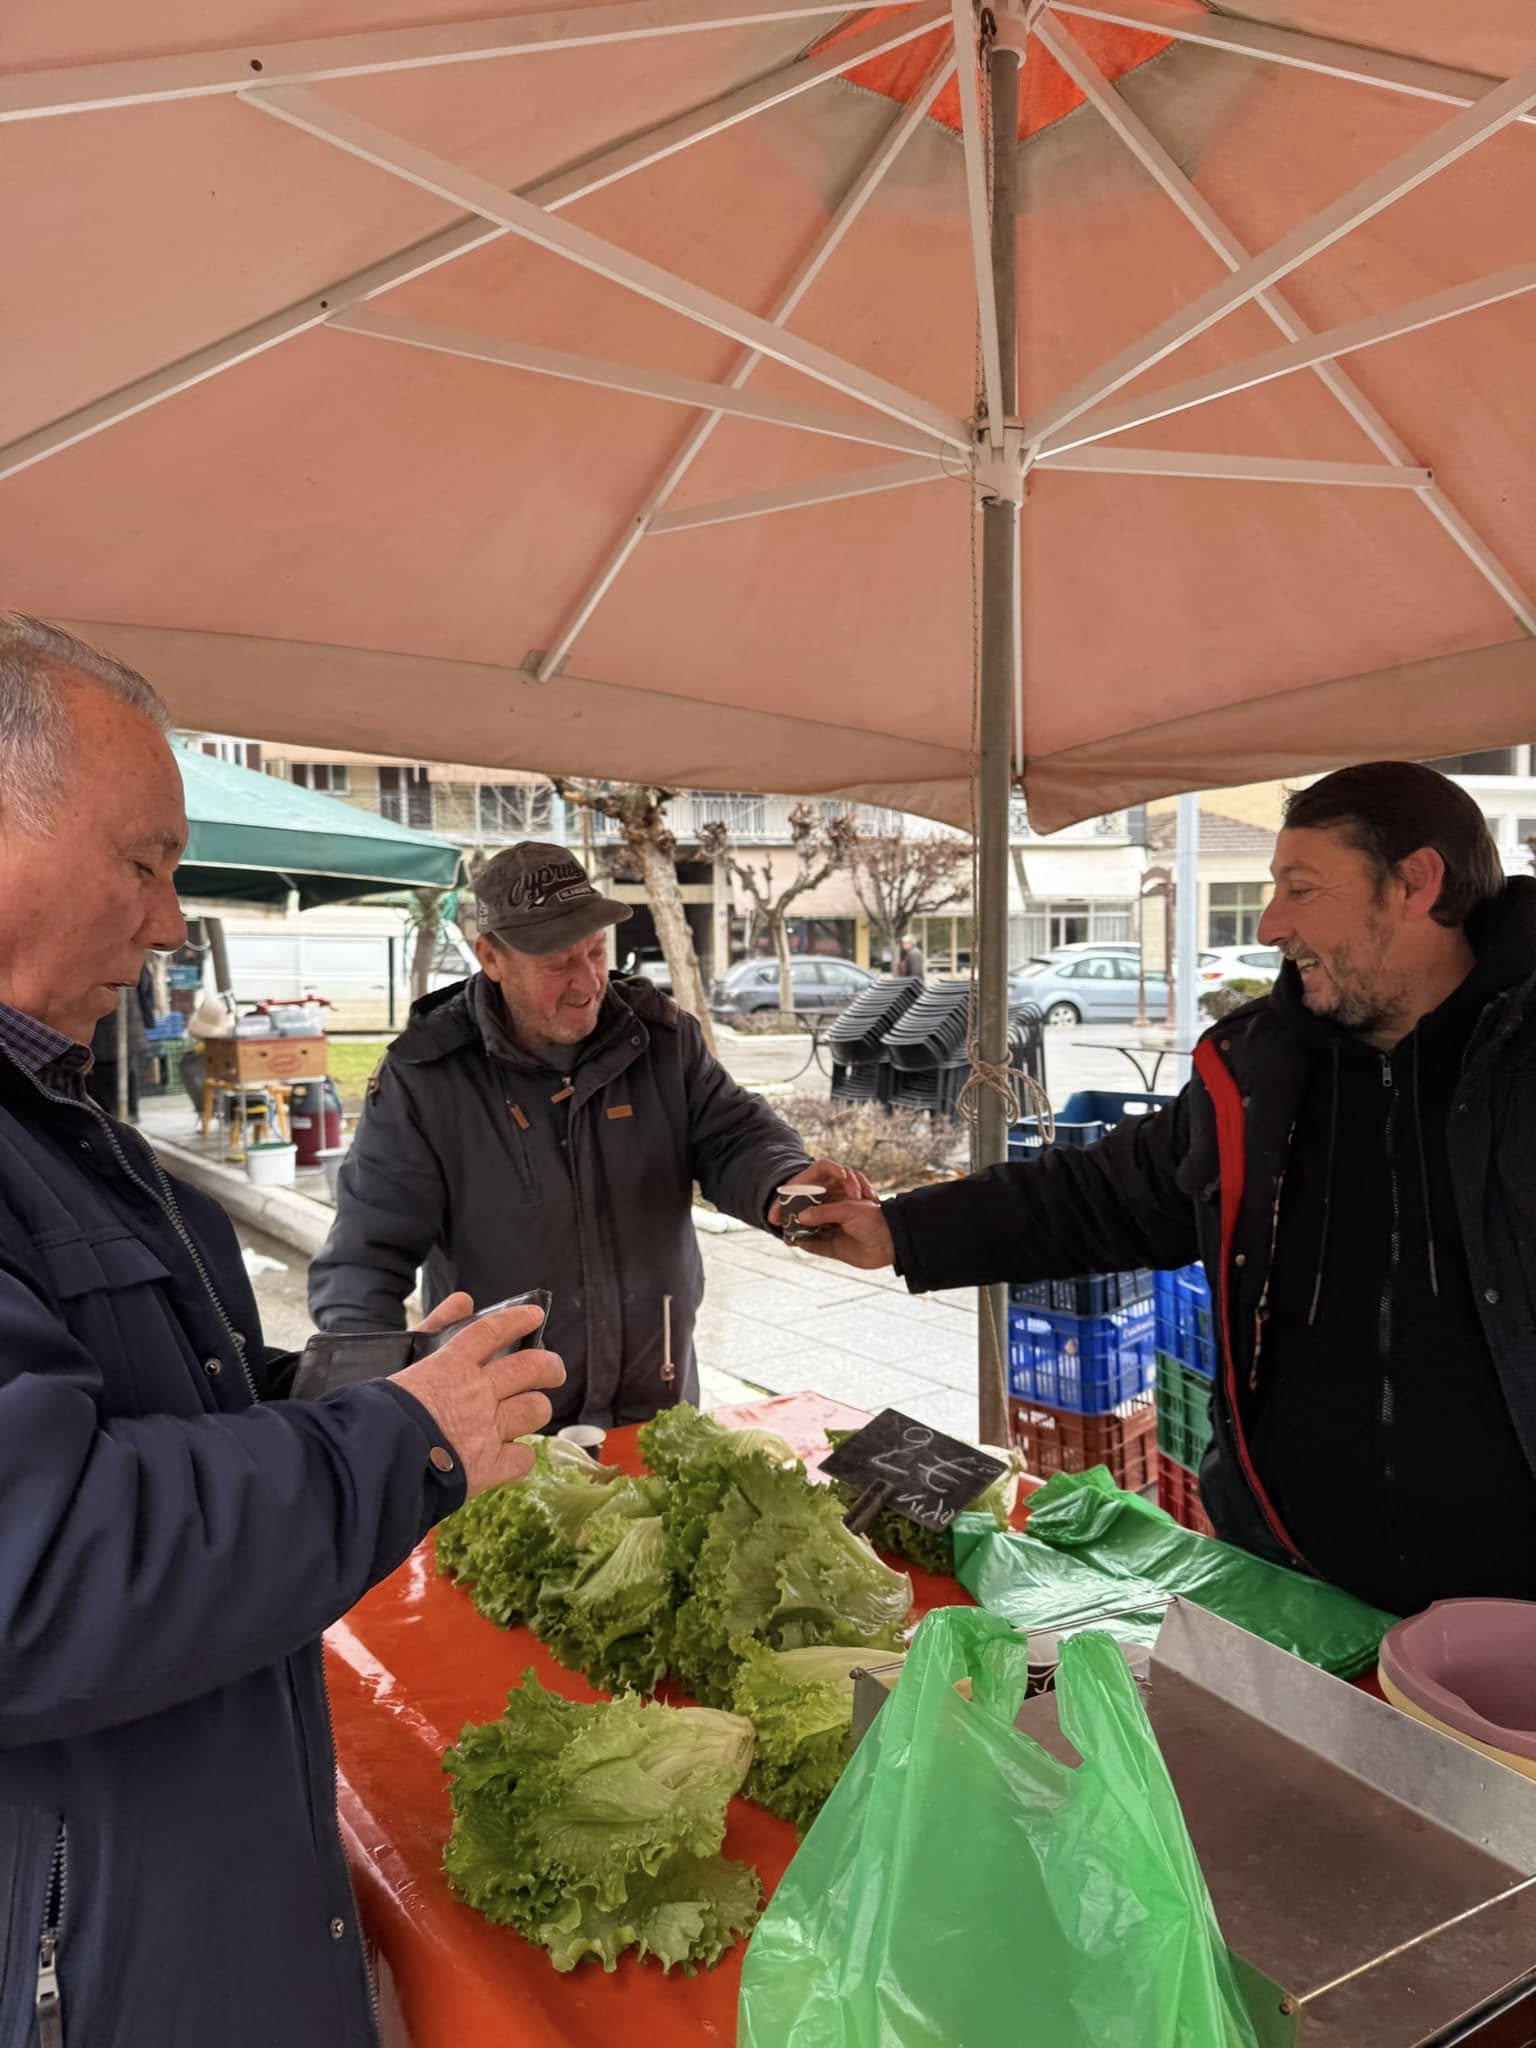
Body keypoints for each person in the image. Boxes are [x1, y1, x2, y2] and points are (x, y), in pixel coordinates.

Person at [0, 613, 565, 2047]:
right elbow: (42, 1568)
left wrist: (332, 1383)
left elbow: (118, 1407)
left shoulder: (52, 1112)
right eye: (145, 861)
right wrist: (395, 1438)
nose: (171, 920)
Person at [804, 762, 1536, 1620]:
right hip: (1286, 1577)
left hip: (1512, 1618)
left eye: (1301, 890)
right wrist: (901, 1230)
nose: (1270, 926)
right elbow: (1103, 1195)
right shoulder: (1262, 1070)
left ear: (1416, 883)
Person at [309, 842, 870, 1424]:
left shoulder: (663, 1039)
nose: (586, 983)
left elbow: (734, 1135)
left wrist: (785, 1187)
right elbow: (364, 1259)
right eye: (557, 964)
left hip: (656, 1402)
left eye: (596, 952)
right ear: (491, 958)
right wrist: (371, 1408)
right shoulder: (425, 1077)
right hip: (503, 1422)